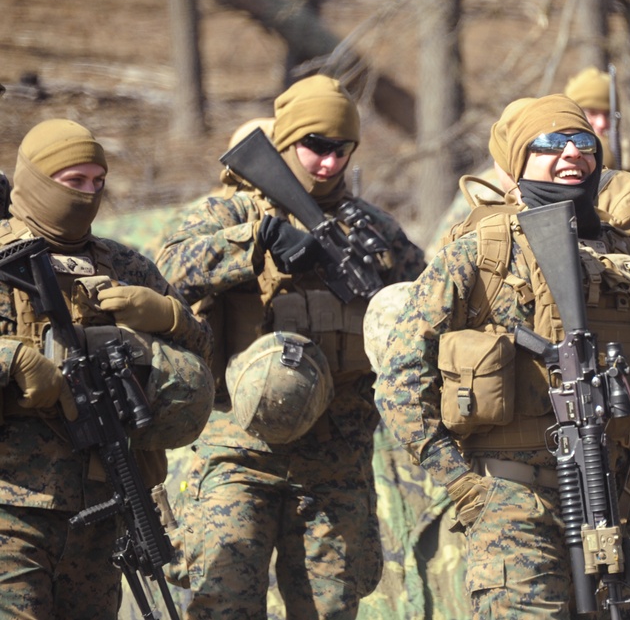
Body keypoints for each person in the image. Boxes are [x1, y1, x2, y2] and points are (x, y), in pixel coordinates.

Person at [374, 94, 630, 618]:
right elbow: (400, 378)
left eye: (584, 143)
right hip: (513, 506)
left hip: (614, 504)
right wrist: (464, 486)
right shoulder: (480, 250)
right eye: (551, 144)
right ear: (517, 160)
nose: (572, 154)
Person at [155, 74, 426, 619]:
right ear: (283, 144)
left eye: (340, 150)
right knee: (222, 604)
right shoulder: (231, 214)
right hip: (237, 453)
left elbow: (428, 305)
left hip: (336, 460)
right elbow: (165, 270)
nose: (327, 162)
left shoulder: (374, 233)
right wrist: (255, 244)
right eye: (314, 147)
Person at [0, 119, 214, 619]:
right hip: (11, 510)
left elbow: (202, 353)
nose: (88, 195)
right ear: (34, 179)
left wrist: (168, 315)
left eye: (99, 182)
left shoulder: (124, 265)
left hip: (102, 508)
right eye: (74, 182)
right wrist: (13, 359)